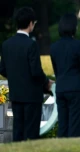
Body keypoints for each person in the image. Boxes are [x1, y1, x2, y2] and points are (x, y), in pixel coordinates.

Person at [0, 7, 53, 142]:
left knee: (18, 133)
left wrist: (15, 76)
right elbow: (36, 72)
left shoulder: (6, 44)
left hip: (16, 95)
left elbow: (2, 69)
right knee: (31, 135)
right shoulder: (31, 45)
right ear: (30, 23)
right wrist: (47, 81)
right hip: (32, 97)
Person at [50, 13, 80, 137]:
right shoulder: (78, 45)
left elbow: (56, 70)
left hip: (61, 88)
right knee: (75, 125)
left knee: (63, 124)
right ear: (74, 27)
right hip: (76, 88)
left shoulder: (54, 47)